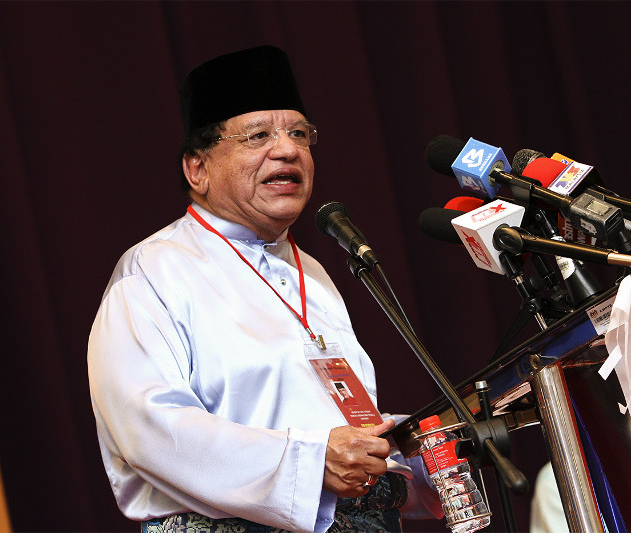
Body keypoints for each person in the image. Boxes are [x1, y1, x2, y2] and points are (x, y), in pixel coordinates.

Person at [88, 45, 440, 533]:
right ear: (197, 168)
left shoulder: (311, 271)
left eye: (299, 133)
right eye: (258, 136)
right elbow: (151, 431)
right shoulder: (153, 271)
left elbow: (332, 421)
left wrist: (418, 448)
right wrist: (311, 462)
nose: (288, 149)